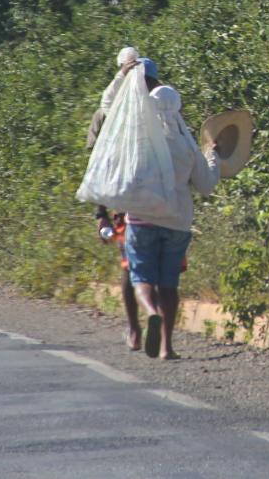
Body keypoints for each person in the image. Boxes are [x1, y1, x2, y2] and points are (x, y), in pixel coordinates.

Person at [123, 79, 220, 360]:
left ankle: (150, 312)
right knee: (169, 284)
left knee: (140, 277)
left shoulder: (138, 140)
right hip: (177, 223)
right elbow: (206, 184)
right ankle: (167, 346)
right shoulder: (186, 146)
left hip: (141, 219)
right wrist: (211, 155)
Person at [87, 52, 160, 351]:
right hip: (150, 202)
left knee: (133, 268)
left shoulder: (153, 109)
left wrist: (100, 213)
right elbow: (97, 164)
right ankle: (149, 327)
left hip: (135, 204)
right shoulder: (113, 115)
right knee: (148, 267)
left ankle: (139, 326)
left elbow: (96, 166)